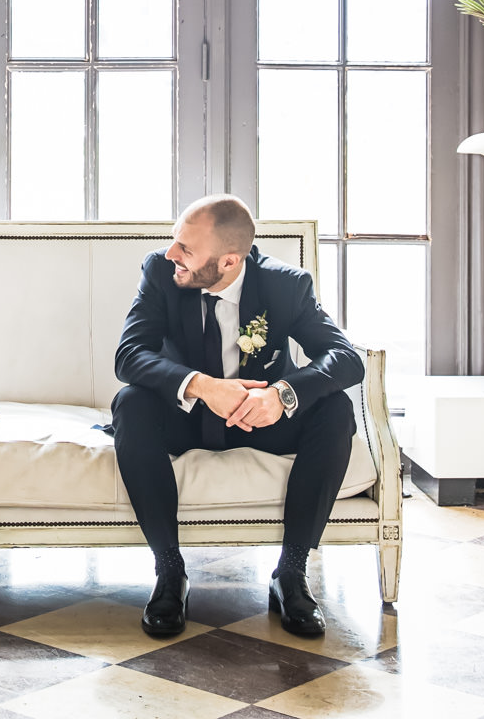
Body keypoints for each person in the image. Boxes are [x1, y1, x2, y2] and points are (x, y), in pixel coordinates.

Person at [112, 194, 363, 639]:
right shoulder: (161, 272)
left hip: (262, 421)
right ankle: (170, 573)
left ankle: (291, 573)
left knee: (336, 410)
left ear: (229, 260)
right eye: (174, 242)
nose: (172, 254)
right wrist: (204, 387)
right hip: (186, 419)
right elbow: (129, 355)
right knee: (131, 403)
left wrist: (282, 395)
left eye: (185, 249)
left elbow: (345, 358)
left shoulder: (286, 285)